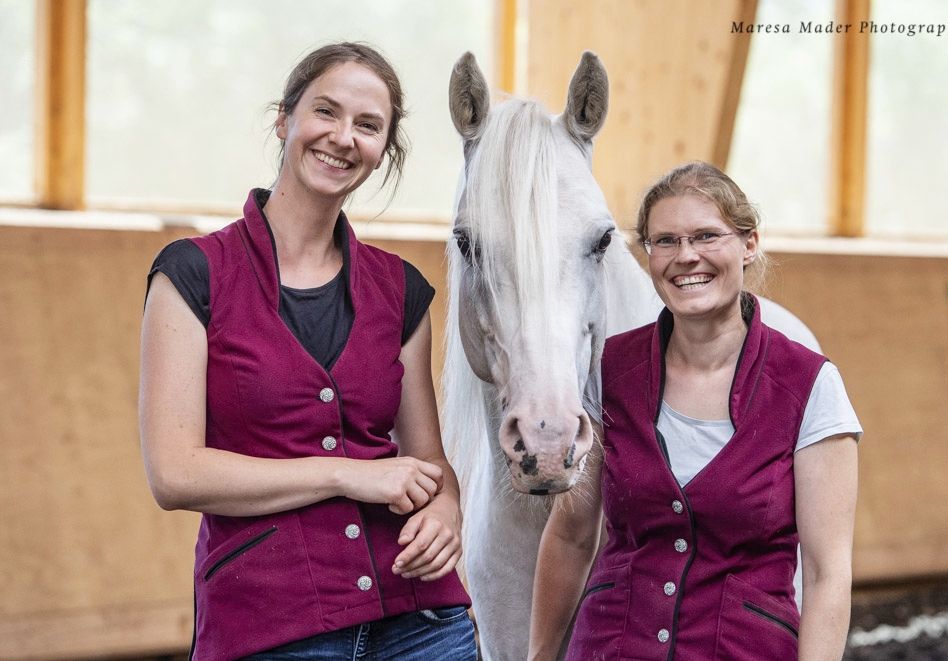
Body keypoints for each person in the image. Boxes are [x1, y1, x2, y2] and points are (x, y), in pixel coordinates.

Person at [139, 43, 475, 661]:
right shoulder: (192, 274)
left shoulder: (401, 289)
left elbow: (428, 460)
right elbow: (175, 473)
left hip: (422, 619)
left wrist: (448, 507)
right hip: (269, 623)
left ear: (383, 150)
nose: (343, 138)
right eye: (326, 111)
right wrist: (346, 472)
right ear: (284, 119)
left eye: (368, 125)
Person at [528, 162, 861, 660]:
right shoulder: (608, 370)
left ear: (749, 244)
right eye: (665, 241)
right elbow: (572, 535)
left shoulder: (809, 385)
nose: (686, 256)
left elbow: (825, 573)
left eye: (706, 236)